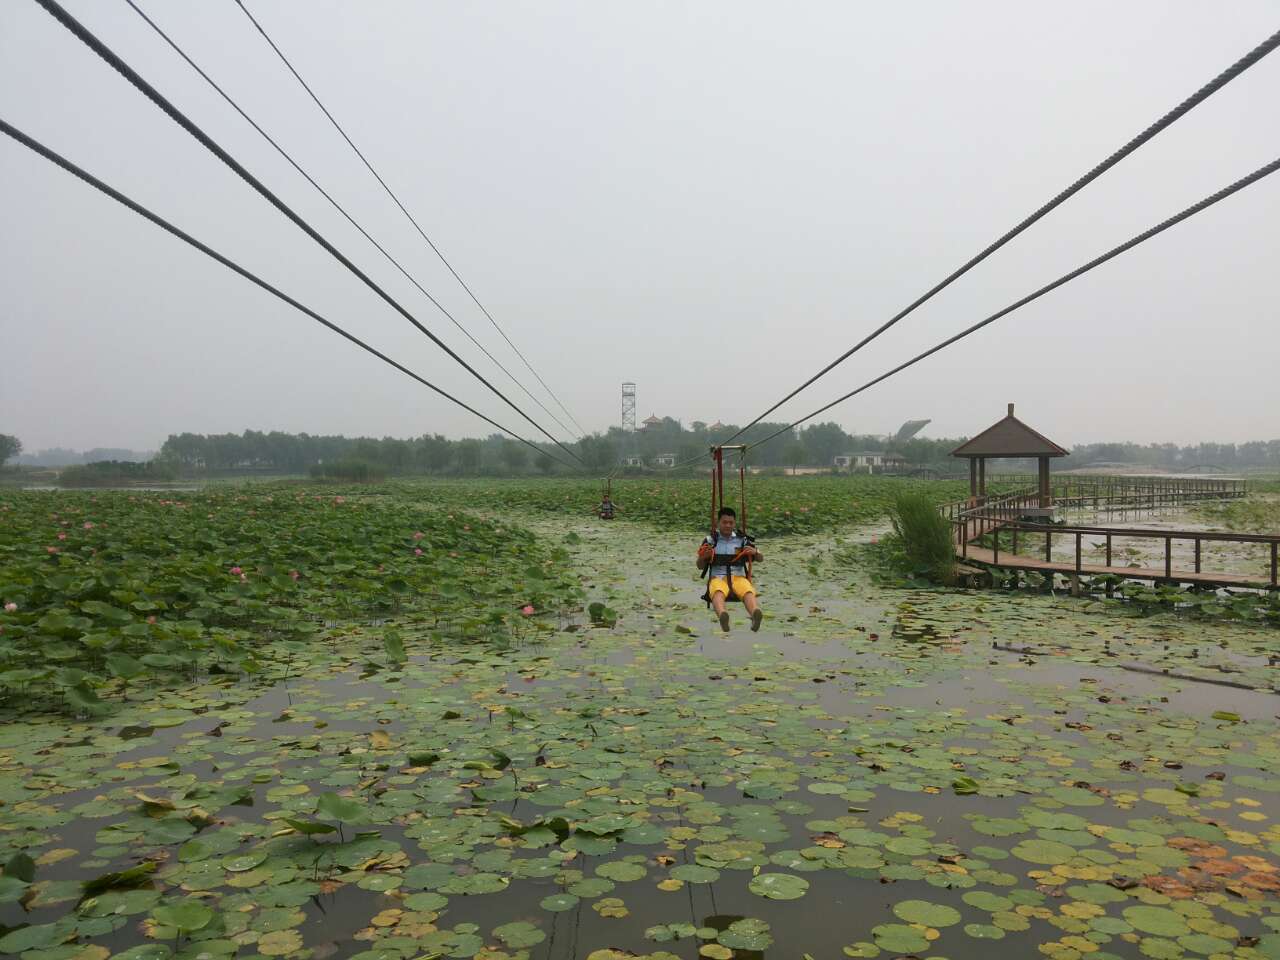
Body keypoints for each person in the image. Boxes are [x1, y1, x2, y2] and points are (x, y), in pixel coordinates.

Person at [696, 506, 763, 633]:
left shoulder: (742, 539)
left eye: (731, 523)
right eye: (724, 522)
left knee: (747, 591)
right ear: (718, 523)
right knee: (718, 591)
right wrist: (703, 557)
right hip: (718, 577)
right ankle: (723, 615)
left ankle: (755, 613)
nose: (728, 525)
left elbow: (760, 558)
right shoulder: (710, 541)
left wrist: (756, 552)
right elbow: (700, 566)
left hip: (738, 577)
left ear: (734, 523)